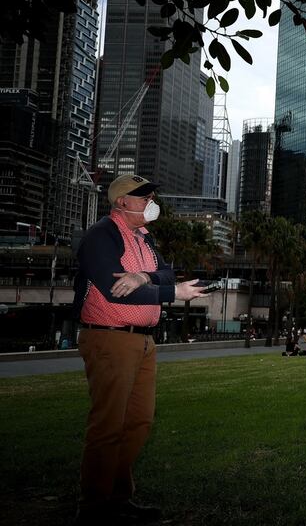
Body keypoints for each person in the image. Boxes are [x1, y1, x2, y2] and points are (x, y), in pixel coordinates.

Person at [72, 173, 209, 525]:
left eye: (151, 194)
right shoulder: (101, 236)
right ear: (123, 202)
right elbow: (116, 289)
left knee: (139, 422)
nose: (151, 200)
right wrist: (171, 292)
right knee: (108, 425)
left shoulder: (143, 239)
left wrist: (145, 277)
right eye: (143, 195)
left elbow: (166, 272)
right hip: (110, 337)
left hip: (144, 340)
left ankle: (118, 497)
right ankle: (94, 507)